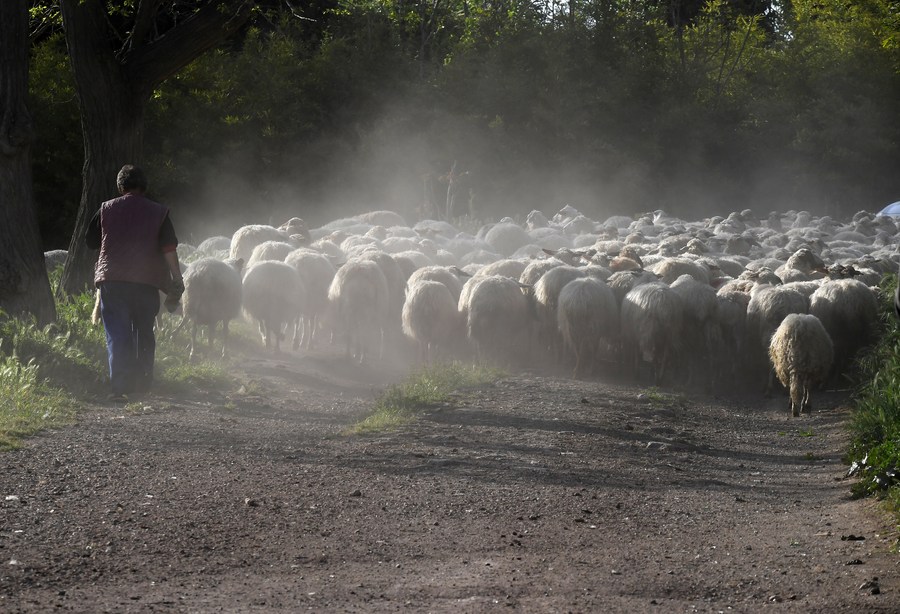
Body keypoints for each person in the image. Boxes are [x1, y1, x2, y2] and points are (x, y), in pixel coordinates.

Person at [85, 165, 184, 401]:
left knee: (118, 334)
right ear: (144, 187)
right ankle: (143, 384)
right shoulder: (159, 212)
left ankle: (120, 387)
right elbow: (169, 248)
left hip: (113, 280)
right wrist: (176, 278)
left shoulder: (105, 209)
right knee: (143, 332)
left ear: (120, 187)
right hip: (146, 281)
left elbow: (90, 242)